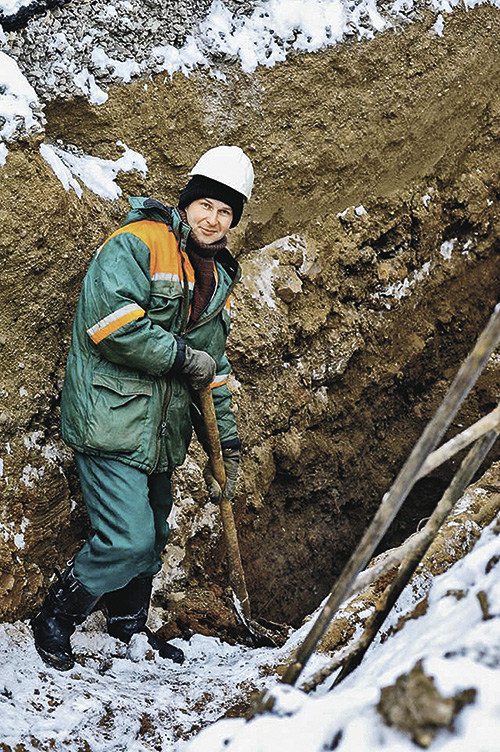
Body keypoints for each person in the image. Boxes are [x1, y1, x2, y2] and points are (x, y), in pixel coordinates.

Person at [31, 145, 254, 670]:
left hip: (159, 433)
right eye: (206, 205)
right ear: (189, 200)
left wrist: (231, 450)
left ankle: (128, 628)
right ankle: (55, 618)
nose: (213, 218)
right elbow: (111, 325)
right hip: (110, 420)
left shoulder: (217, 278)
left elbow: (213, 375)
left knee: (152, 539)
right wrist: (181, 356)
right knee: (129, 539)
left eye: (226, 211)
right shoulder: (138, 243)